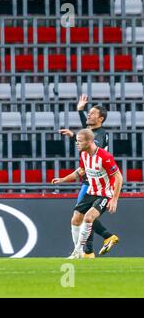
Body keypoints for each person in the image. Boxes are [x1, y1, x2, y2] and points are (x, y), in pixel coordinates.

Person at [59, 95, 119, 257]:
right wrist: (80, 111)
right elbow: (86, 135)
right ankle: (95, 245)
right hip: (90, 180)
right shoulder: (93, 133)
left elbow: (90, 142)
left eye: (91, 113)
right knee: (81, 216)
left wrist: (74, 137)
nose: (88, 115)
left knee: (87, 216)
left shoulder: (98, 136)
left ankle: (89, 250)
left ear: (100, 119)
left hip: (94, 182)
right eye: (88, 112)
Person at [51, 129, 123, 259]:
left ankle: (79, 251)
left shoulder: (104, 157)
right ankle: (80, 250)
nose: (77, 143)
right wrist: (63, 179)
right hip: (91, 191)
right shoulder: (84, 154)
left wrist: (114, 199)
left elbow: (118, 177)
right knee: (75, 219)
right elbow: (81, 171)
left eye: (79, 141)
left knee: (89, 218)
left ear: (89, 141)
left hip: (104, 194)